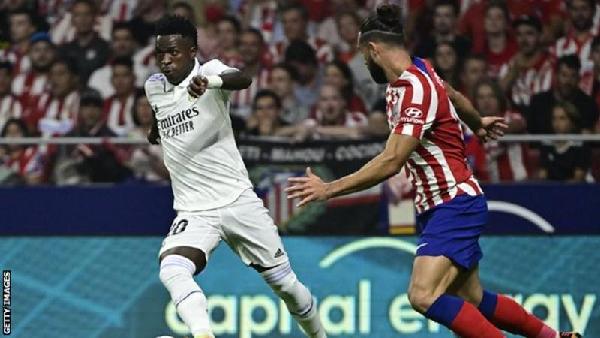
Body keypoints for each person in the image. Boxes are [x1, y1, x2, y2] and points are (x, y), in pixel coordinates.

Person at [286, 5, 581, 338]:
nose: (364, 64)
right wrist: (476, 122)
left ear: (373, 49)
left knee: (423, 295)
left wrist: (328, 189)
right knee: (474, 299)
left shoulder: (416, 90)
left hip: (454, 201)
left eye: (363, 55)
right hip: (440, 206)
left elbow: (392, 160)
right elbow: (453, 95)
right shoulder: (419, 71)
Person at [144, 15, 326, 338]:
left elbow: (242, 79)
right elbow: (163, 114)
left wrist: (211, 83)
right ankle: (203, 334)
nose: (166, 60)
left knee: (286, 285)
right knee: (172, 269)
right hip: (193, 209)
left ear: (192, 51)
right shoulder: (154, 87)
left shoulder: (209, 72)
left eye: (173, 52)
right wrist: (156, 130)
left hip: (238, 201)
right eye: (160, 53)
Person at [538, 102, 591, 182]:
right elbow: (542, 176)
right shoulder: (546, 144)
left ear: (572, 122)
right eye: (554, 118)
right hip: (550, 191)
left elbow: (578, 179)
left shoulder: (580, 145)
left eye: (562, 118)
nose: (557, 123)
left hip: (574, 192)